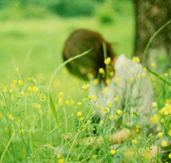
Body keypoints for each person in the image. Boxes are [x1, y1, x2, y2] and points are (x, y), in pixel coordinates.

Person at [62, 29, 162, 160]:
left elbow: (135, 130)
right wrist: (79, 136)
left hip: (142, 145)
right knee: (61, 152)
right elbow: (98, 121)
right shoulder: (97, 79)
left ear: (93, 54)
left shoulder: (133, 72)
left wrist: (93, 143)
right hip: (111, 146)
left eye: (82, 64)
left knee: (121, 157)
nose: (83, 70)